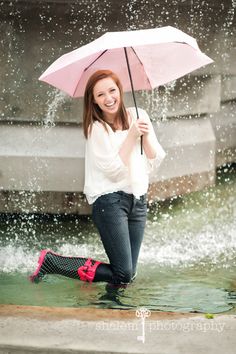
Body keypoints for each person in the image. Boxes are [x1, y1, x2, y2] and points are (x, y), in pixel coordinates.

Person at [29, 70, 166, 291]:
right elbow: (113, 171)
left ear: (120, 91)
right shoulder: (97, 129)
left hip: (138, 200)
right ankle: (53, 262)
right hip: (110, 201)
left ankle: (111, 311)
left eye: (112, 90)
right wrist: (131, 136)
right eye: (101, 94)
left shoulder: (139, 114)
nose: (108, 98)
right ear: (93, 100)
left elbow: (155, 160)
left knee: (127, 276)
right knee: (123, 273)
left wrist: (145, 135)